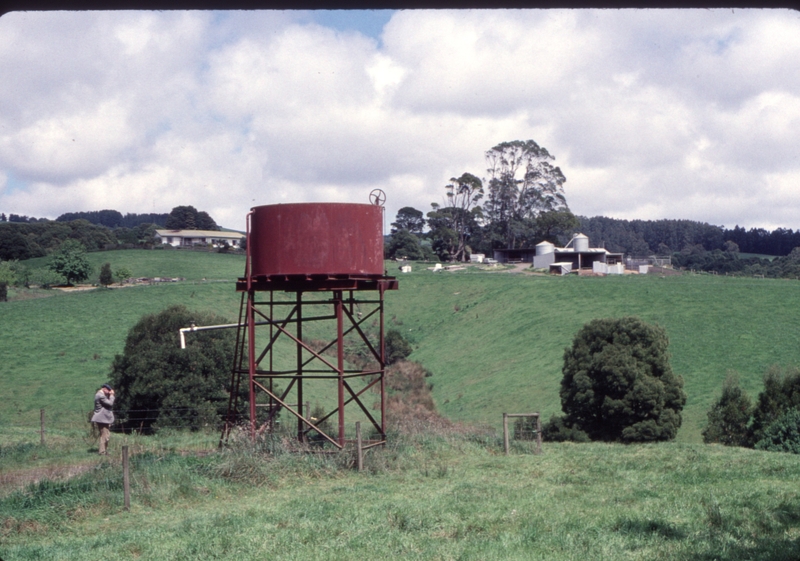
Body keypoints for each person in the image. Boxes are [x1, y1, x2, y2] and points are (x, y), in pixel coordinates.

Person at [91, 383, 115, 455]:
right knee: (104, 435)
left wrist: (109, 394)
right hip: (102, 418)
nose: (110, 392)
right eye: (108, 390)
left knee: (106, 435)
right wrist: (112, 396)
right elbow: (110, 403)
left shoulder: (101, 395)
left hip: (104, 418)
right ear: (104, 389)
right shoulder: (100, 395)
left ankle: (104, 450)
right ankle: (102, 452)